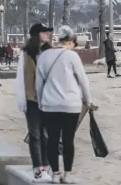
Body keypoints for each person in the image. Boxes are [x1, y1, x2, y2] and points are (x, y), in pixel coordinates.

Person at [35, 26, 93, 184]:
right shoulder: (72, 56)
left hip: (50, 105)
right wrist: (88, 100)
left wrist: (41, 102)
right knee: (68, 140)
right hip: (70, 105)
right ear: (70, 41)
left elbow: (38, 84)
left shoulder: (44, 56)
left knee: (52, 140)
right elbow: (83, 80)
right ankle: (67, 174)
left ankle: (55, 173)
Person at [16, 23, 54, 182]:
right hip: (31, 100)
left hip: (49, 100)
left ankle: (46, 166)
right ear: (37, 35)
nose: (48, 35)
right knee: (35, 134)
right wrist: (21, 101)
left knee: (47, 135)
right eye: (45, 32)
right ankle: (38, 168)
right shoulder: (25, 54)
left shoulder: (51, 53)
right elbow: (20, 78)